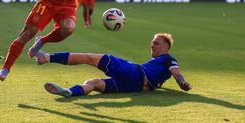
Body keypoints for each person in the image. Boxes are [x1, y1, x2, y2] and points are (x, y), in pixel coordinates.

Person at [33, 33, 191, 97]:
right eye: (152, 43)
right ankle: (69, 91)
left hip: (135, 73)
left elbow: (177, 72)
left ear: (165, 47)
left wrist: (182, 82)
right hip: (133, 86)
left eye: (155, 44)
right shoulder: (158, 65)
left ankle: (47, 57)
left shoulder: (168, 59)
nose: (152, 46)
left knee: (90, 58)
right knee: (93, 83)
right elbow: (161, 79)